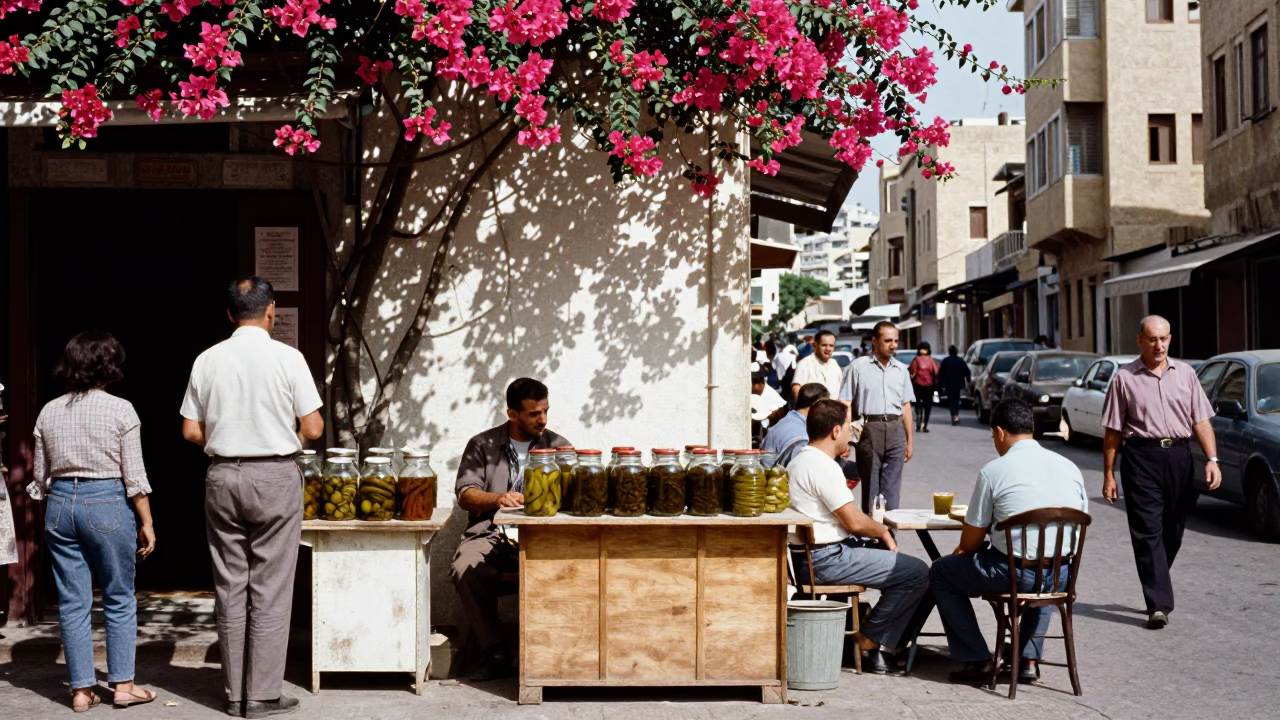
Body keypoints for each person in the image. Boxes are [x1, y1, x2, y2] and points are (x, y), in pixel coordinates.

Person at [181, 277, 324, 719]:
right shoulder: (288, 357)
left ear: (229, 315)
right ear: (271, 312)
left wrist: (227, 438)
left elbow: (189, 430)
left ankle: (234, 693)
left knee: (230, 585)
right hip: (276, 475)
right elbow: (314, 428)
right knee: (271, 588)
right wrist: (278, 436)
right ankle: (261, 695)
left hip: (223, 475)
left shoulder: (207, 358)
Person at [26, 331, 158, 712]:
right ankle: (123, 686)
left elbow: (40, 475)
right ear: (109, 366)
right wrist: (146, 520)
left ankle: (81, 691)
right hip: (106, 502)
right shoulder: (121, 409)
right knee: (118, 596)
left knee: (72, 600)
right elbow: (134, 475)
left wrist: (59, 505)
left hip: (61, 503)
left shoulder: (49, 411)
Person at [929, 399, 1088, 684]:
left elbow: (972, 540)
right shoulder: (1071, 468)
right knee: (1044, 567)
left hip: (1013, 574)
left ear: (1000, 432)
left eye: (993, 437)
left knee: (941, 572)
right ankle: (1027, 658)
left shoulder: (994, 471)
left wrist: (965, 549)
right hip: (1061, 575)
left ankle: (977, 659)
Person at [787, 399, 929, 674]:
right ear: (836, 431)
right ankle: (871, 642)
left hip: (814, 557)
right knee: (917, 572)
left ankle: (885, 643)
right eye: (850, 428)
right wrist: (883, 531)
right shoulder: (822, 466)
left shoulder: (801, 461)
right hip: (825, 559)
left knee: (905, 570)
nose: (853, 434)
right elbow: (853, 521)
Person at [1101, 315, 1219, 630]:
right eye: (1152, 339)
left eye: (1164, 338)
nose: (1159, 345)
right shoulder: (1124, 378)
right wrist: (1109, 474)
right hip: (1141, 457)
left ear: (1170, 338)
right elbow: (1113, 431)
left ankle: (1157, 578)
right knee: (1147, 531)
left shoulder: (1187, 374)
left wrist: (1212, 458)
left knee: (1174, 529)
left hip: (1180, 456)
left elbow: (1201, 420)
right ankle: (1159, 604)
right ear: (1140, 340)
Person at [452, 378, 571, 681]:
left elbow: (575, 494)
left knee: (573, 569)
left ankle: (553, 652)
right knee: (465, 567)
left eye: (545, 411)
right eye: (533, 414)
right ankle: (495, 650)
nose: (542, 419)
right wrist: (498, 498)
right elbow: (466, 494)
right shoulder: (483, 445)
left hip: (543, 538)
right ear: (512, 414)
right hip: (491, 535)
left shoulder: (559, 447)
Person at [839, 322, 913, 513]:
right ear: (874, 341)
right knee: (871, 486)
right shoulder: (858, 367)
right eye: (888, 340)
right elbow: (845, 403)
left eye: (896, 341)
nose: (893, 345)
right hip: (869, 429)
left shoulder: (901, 370)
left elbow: (906, 406)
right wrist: (845, 438)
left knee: (892, 489)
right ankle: (871, 535)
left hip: (895, 429)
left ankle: (889, 535)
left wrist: (910, 442)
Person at [763, 383, 829, 467]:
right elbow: (802, 472)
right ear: (817, 405)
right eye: (826, 406)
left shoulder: (780, 425)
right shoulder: (802, 437)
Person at [791, 330, 843, 399]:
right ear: (815, 345)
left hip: (834, 408)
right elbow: (796, 389)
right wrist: (801, 409)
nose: (828, 349)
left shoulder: (834, 365)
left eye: (831, 346)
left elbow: (842, 389)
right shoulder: (805, 363)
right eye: (824, 345)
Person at [908, 342, 939, 433]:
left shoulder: (916, 359)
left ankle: (918, 420)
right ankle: (925, 425)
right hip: (929, 386)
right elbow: (936, 372)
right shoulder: (931, 360)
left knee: (917, 404)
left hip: (918, 385)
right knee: (928, 406)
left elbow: (911, 370)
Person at [938, 345, 971, 426]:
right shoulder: (960, 361)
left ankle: (954, 415)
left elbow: (940, 373)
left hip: (949, 384)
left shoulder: (946, 361)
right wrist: (968, 380)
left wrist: (940, 383)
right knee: (956, 399)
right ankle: (955, 415)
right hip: (958, 384)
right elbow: (967, 371)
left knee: (951, 400)